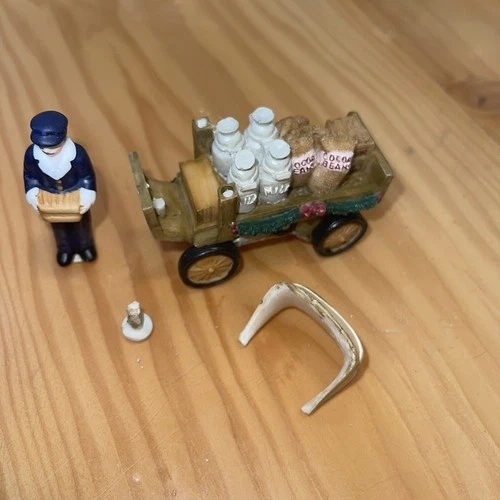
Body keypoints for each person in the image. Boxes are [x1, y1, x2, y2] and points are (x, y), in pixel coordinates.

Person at [23, 110, 97, 266]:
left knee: (82, 225)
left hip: (75, 195)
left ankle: (85, 246)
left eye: (53, 145)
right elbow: (30, 177)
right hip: (51, 199)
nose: (47, 150)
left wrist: (87, 194)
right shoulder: (31, 155)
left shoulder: (78, 154)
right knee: (58, 227)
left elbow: (87, 177)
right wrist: (33, 193)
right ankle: (65, 249)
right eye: (43, 146)